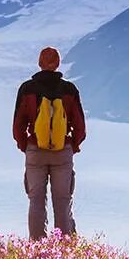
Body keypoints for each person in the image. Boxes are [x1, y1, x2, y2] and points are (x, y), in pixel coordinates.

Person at [12, 47, 85, 239]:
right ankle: (64, 248)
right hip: (62, 151)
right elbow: (80, 127)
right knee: (62, 201)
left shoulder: (27, 89)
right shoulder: (69, 90)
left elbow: (18, 125)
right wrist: (71, 146)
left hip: (35, 151)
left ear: (39, 63)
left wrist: (26, 146)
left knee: (36, 201)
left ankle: (37, 249)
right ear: (58, 64)